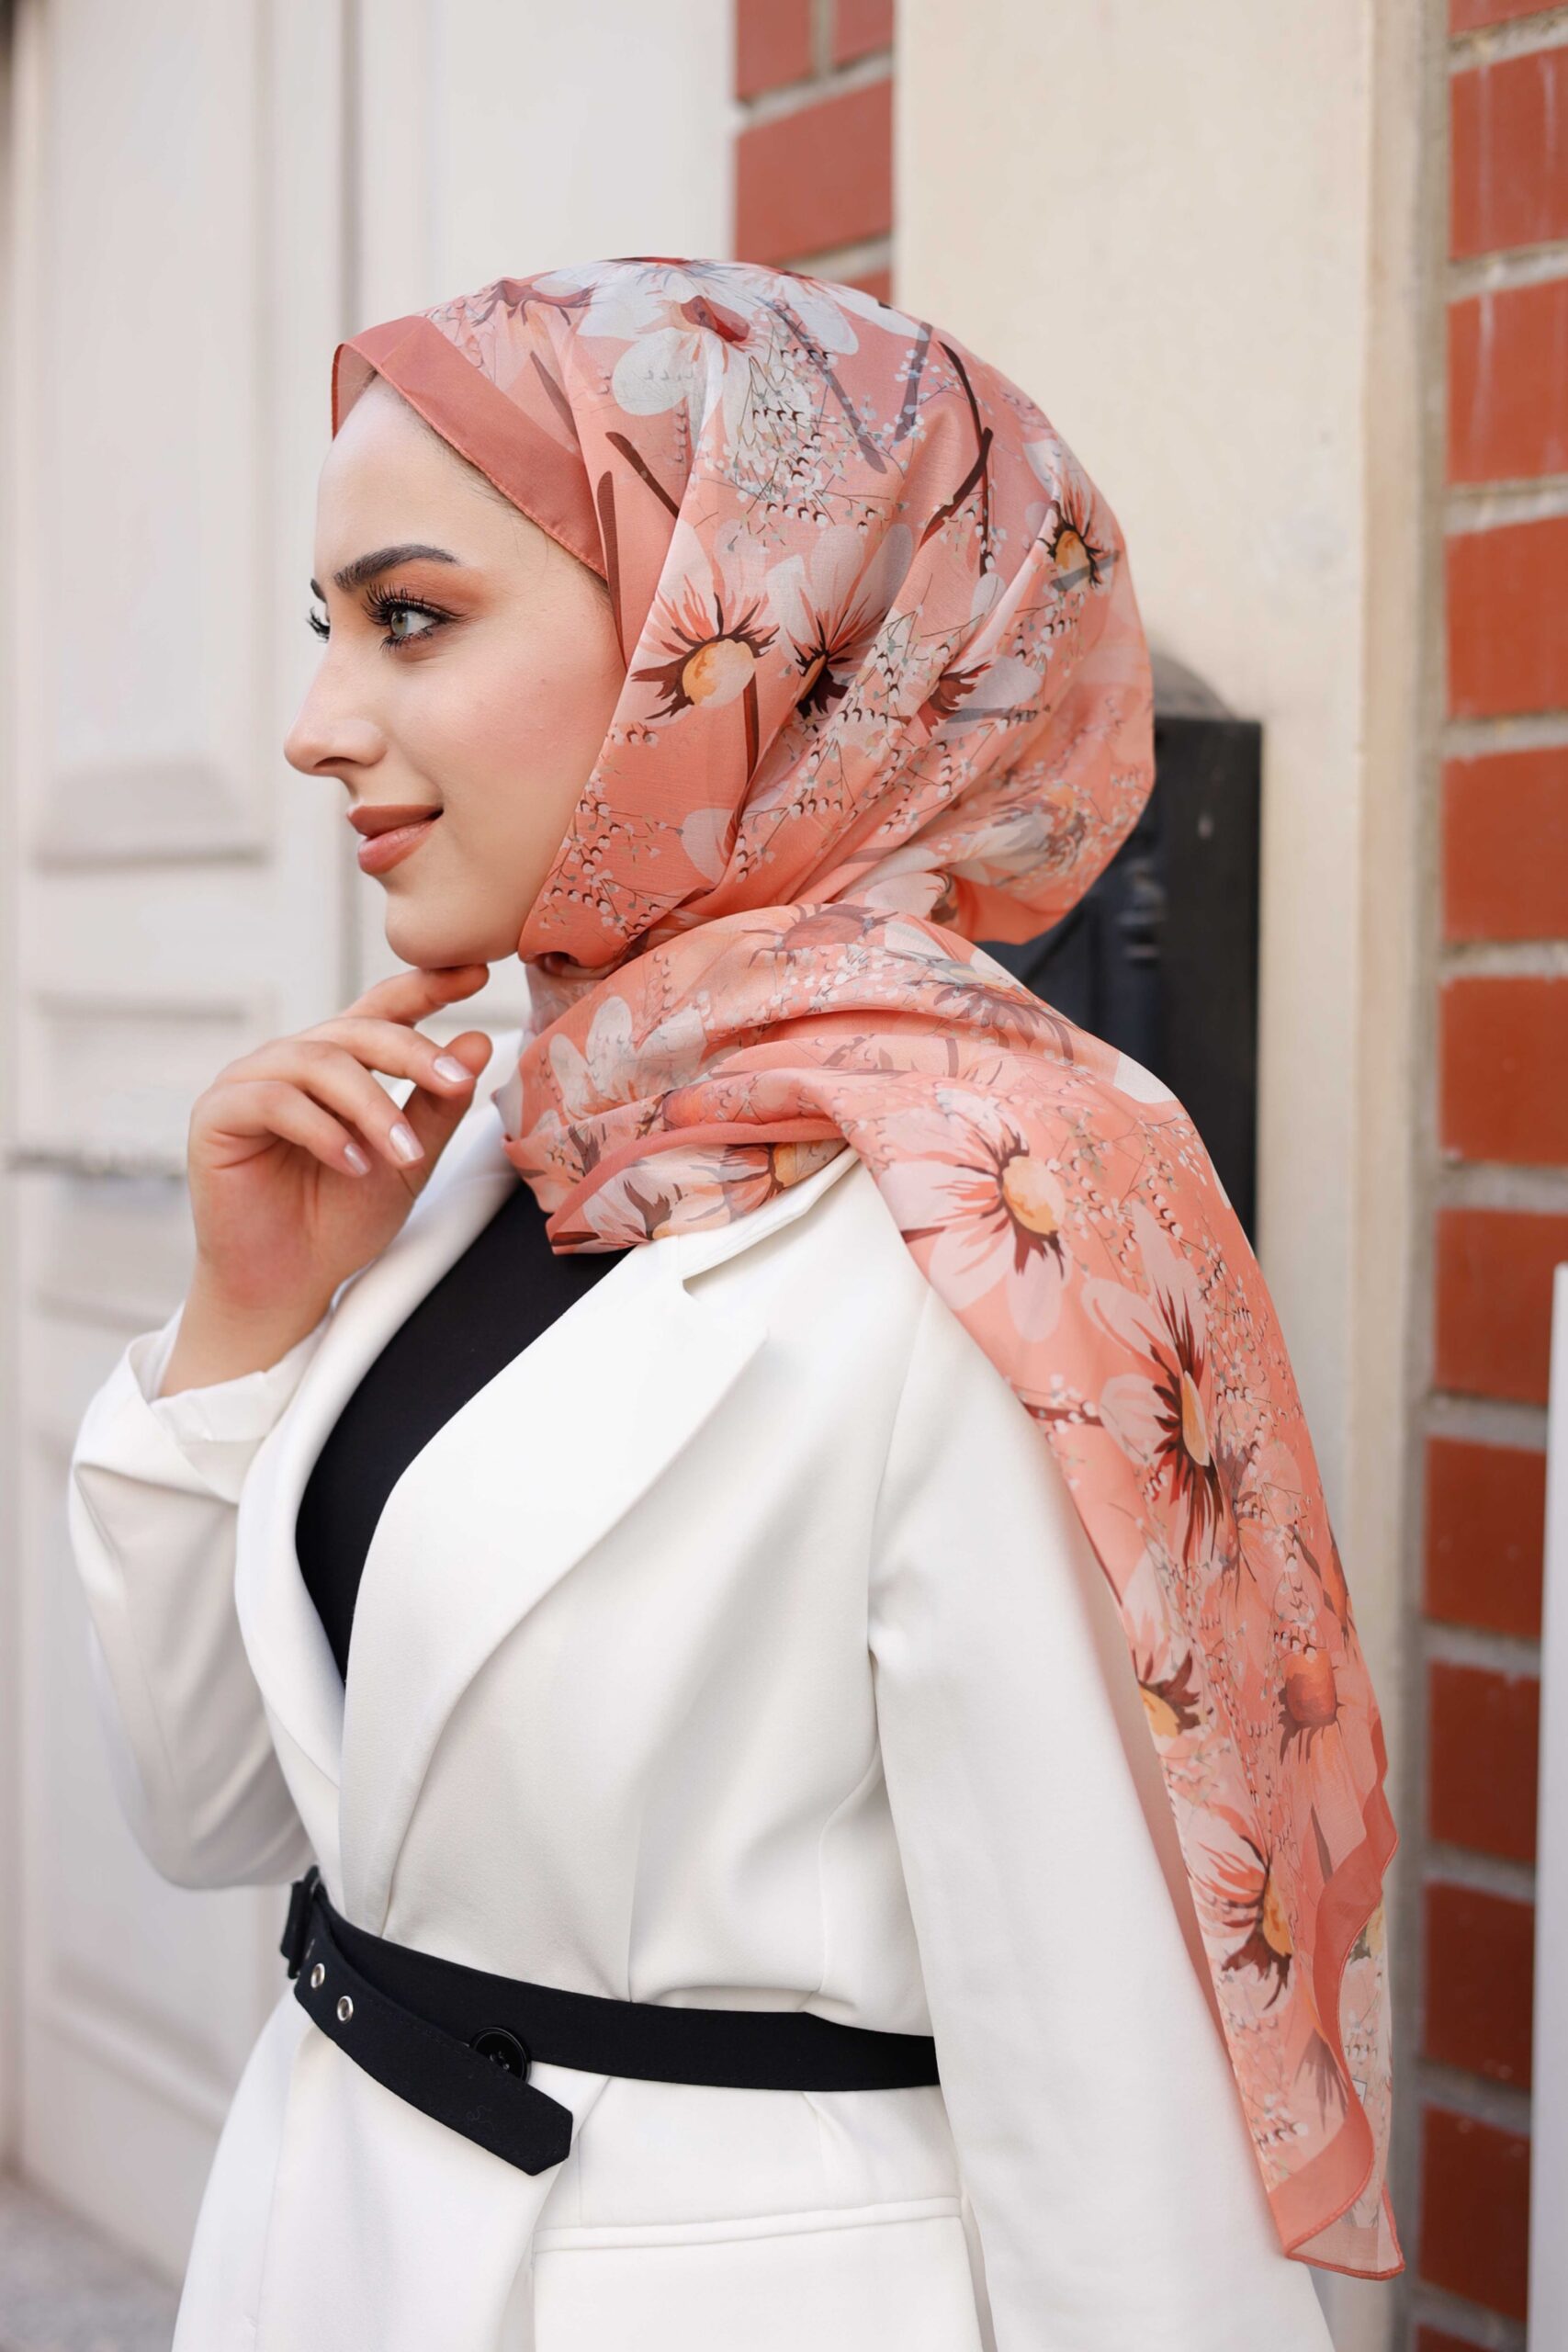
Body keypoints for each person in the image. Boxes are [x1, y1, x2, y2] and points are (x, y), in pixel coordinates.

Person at [66, 258, 1397, 2352]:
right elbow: (214, 1808)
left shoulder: (1000, 1207)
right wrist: (249, 1329)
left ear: (746, 636)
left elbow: (1119, 2104)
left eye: (410, 617)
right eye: (324, 630)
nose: (317, 728)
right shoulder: (506, 1131)